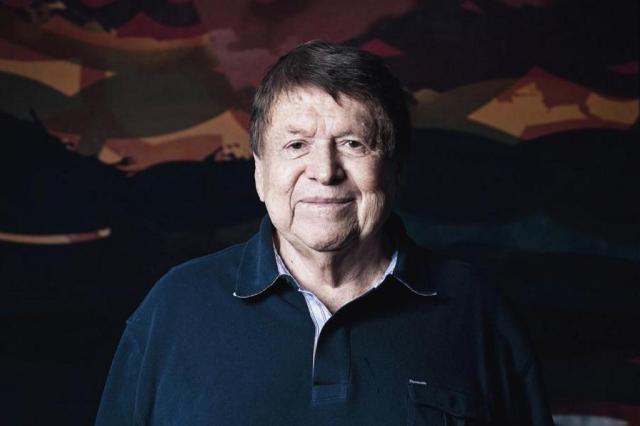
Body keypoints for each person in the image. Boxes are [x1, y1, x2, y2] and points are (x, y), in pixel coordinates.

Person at [96, 40, 553, 425]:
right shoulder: (175, 307)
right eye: (296, 145)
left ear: (396, 171)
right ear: (260, 174)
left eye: (353, 143)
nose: (324, 171)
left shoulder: (476, 311)